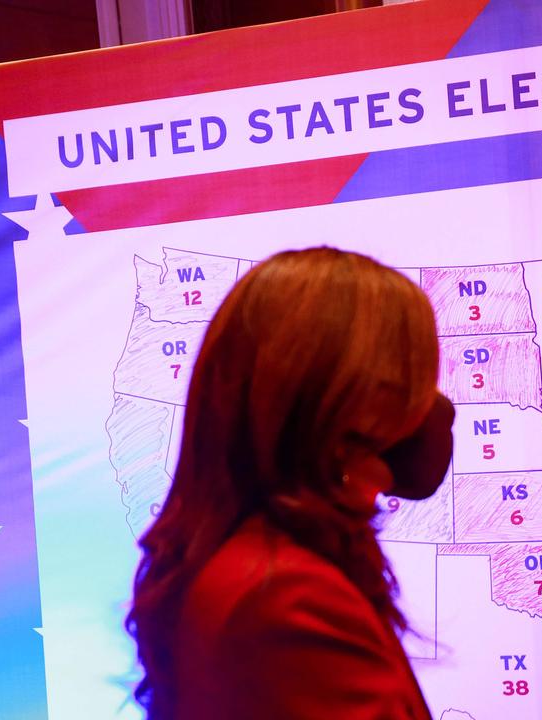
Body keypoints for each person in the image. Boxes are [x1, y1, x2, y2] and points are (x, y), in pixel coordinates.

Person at [127, 247, 454, 719]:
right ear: (350, 401)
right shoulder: (286, 599)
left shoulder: (262, 563)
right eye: (416, 379)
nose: (434, 406)